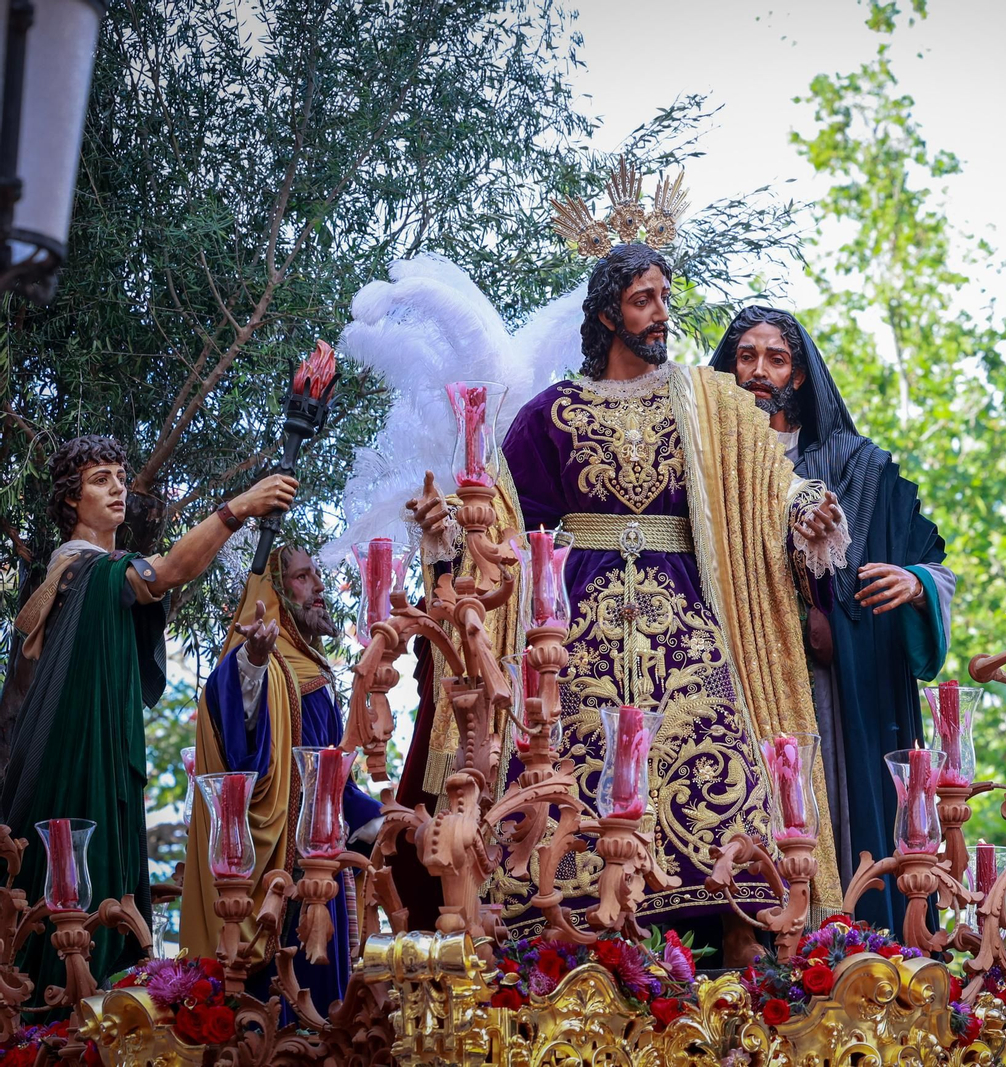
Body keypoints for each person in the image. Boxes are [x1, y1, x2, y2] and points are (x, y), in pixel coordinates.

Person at [410, 244, 850, 964]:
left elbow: (767, 477)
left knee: (724, 761)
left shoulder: (708, 404)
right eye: (644, 299)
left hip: (687, 626)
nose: (660, 315)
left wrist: (805, 512)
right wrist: (454, 526)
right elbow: (499, 507)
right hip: (579, 626)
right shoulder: (551, 412)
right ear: (608, 311)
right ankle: (564, 940)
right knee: (563, 769)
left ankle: (741, 934)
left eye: (665, 298)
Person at [0, 434, 297, 997]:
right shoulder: (83, 571)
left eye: (119, 475)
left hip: (105, 756)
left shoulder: (98, 572)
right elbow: (164, 574)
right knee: (74, 894)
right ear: (70, 501)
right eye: (98, 479)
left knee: (103, 884)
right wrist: (238, 508)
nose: (116, 488)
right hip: (75, 761)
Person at [710, 307, 954, 937]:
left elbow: (930, 566)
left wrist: (917, 584)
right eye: (745, 356)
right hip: (733, 677)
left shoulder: (857, 464)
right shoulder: (706, 469)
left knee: (833, 815)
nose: (759, 371)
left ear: (802, 372)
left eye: (776, 357)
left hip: (829, 688)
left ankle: (835, 941)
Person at [179, 544, 383, 1017]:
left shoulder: (311, 672)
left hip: (321, 867)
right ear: (273, 591)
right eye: (301, 577)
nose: (317, 587)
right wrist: (252, 662)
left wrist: (374, 820)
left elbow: (329, 780)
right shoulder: (264, 664)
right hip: (282, 875)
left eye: (316, 575)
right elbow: (240, 742)